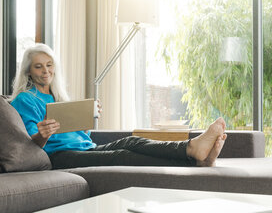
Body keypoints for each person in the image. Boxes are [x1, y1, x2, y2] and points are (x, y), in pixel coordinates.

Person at [11, 43, 227, 169]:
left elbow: (78, 134)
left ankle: (194, 153)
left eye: (49, 65)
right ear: (29, 71)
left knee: (131, 141)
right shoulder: (25, 99)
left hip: (86, 148)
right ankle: (193, 157)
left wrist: (86, 118)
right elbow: (33, 143)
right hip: (60, 156)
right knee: (121, 155)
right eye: (38, 67)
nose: (45, 71)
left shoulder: (58, 97)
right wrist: (43, 134)